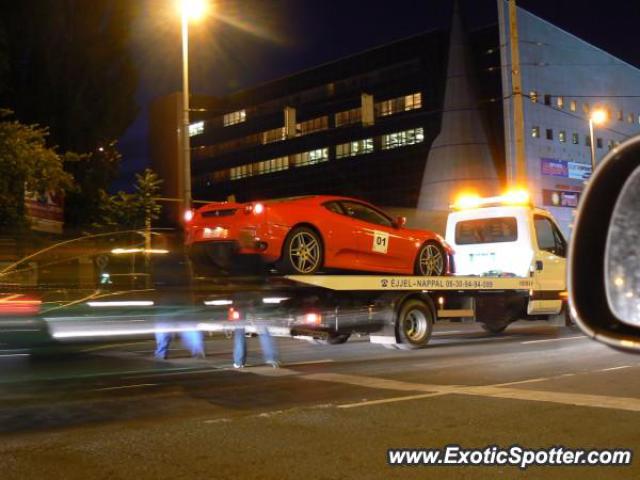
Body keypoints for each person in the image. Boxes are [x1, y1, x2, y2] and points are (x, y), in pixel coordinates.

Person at [152, 235, 205, 360]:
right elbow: (190, 279)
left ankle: (161, 353)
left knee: (163, 327)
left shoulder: (160, 261)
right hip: (183, 297)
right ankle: (197, 350)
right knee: (188, 326)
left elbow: (157, 281)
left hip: (167, 298)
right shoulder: (185, 260)